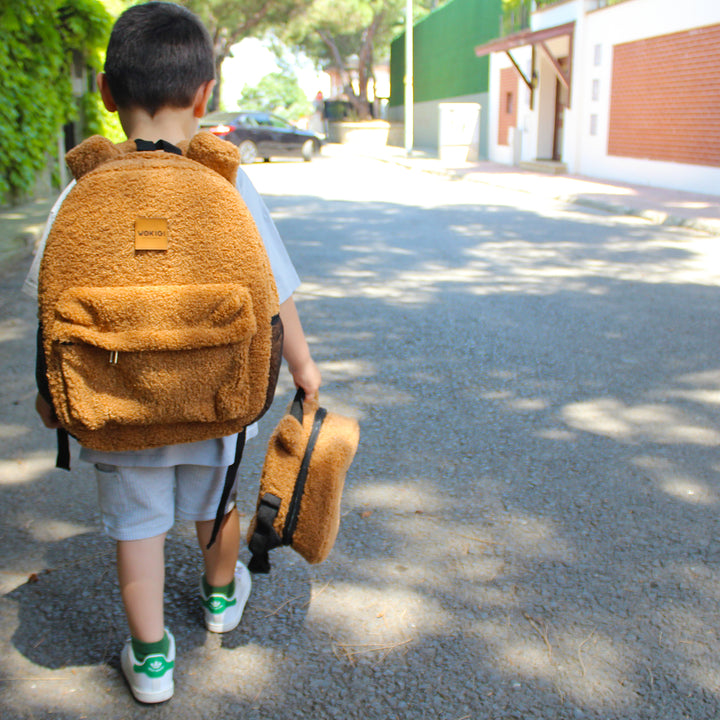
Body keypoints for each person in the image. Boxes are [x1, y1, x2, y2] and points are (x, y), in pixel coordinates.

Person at [25, 1, 321, 705]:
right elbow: (274, 292)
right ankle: (221, 597)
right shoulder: (228, 181)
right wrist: (305, 370)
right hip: (220, 396)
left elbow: (48, 298)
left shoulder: (80, 188)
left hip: (115, 402)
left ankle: (152, 657)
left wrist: (47, 392)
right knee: (215, 506)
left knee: (138, 528)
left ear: (106, 94)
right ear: (204, 95)